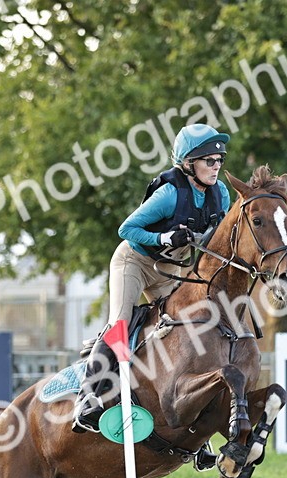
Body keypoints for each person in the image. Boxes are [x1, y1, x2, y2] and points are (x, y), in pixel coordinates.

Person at [72, 123, 233, 433]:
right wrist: (163, 238)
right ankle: (87, 398)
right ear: (188, 163)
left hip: (169, 269)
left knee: (185, 326)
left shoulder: (220, 194)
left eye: (219, 160)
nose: (216, 167)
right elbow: (126, 229)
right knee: (121, 320)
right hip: (135, 260)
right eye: (208, 160)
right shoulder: (169, 194)